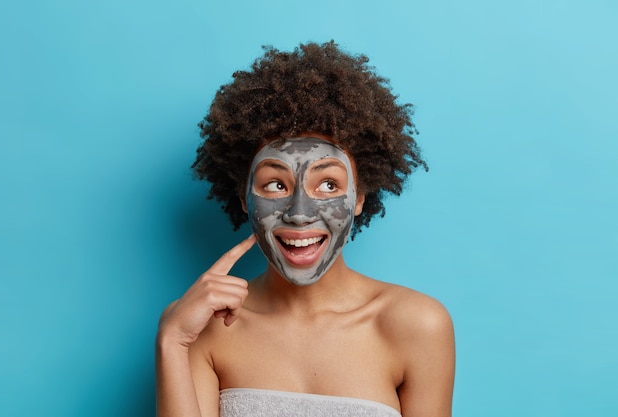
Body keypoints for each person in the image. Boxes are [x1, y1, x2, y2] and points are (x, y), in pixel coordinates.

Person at [156, 41, 455, 417]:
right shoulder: (202, 325)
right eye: (275, 185)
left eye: (328, 185)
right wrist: (172, 340)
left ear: (359, 197)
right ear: (245, 198)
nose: (299, 213)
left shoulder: (416, 324)